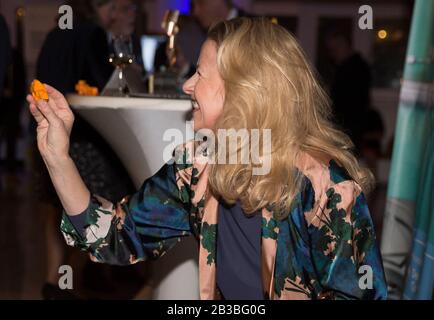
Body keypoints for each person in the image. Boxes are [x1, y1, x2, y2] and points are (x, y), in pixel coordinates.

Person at [28, 18, 387, 300]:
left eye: (200, 74)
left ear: (244, 91)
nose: (186, 85)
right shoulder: (197, 164)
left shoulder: (326, 188)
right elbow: (115, 238)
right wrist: (57, 157)